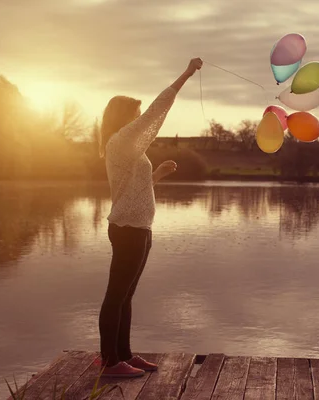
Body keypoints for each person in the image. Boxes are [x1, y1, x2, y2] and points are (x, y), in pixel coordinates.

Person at [97, 58, 203, 378]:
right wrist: (185, 73)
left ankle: (123, 354)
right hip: (127, 229)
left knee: (126, 294)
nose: (140, 118)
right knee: (116, 294)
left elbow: (134, 189)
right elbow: (159, 107)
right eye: (135, 114)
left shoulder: (128, 148)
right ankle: (109, 362)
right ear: (124, 118)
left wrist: (156, 174)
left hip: (139, 226)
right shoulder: (121, 140)